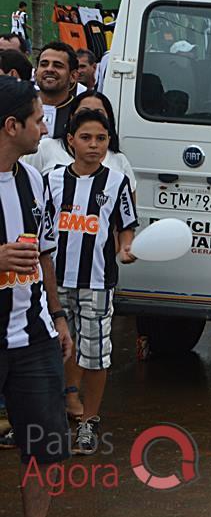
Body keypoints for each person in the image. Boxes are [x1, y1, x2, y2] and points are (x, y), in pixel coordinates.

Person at [42, 110, 137, 455]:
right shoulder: (50, 180)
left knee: (96, 355)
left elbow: (127, 223)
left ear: (109, 142)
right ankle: (50, 416)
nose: (94, 145)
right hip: (53, 283)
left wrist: (127, 247)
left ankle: (89, 422)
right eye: (86, 137)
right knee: (53, 349)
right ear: (70, 141)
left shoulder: (116, 182)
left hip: (97, 284)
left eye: (101, 138)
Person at [0, 75, 73, 516]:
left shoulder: (33, 179)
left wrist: (59, 317)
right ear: (12, 126)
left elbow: (44, 254)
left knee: (45, 451)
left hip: (33, 337)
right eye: (38, 120)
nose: (46, 129)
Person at [25, 91, 136, 194]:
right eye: (84, 112)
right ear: (71, 116)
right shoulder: (45, 148)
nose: (91, 118)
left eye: (99, 113)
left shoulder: (119, 161)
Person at [35, 42, 80, 137]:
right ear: (35, 73)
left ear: (73, 76)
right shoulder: (18, 107)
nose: (49, 69)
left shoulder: (79, 113)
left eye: (58, 66)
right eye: (44, 64)